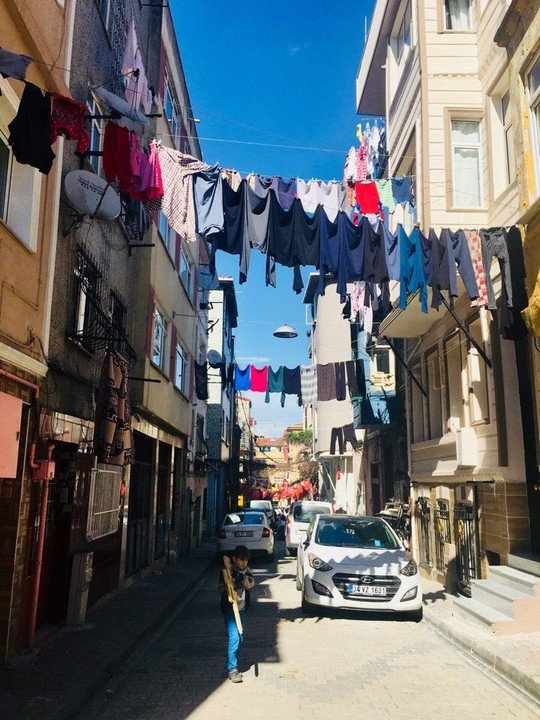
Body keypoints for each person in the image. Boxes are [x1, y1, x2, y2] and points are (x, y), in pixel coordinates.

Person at [219, 545, 255, 683]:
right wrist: (230, 581)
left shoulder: (247, 571)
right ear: (234, 559)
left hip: (241, 609)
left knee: (240, 638)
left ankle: (233, 662)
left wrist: (242, 579)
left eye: (246, 560)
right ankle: (232, 669)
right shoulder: (226, 571)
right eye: (241, 560)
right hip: (230, 610)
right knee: (234, 638)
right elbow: (220, 589)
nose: (244, 563)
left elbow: (250, 583)